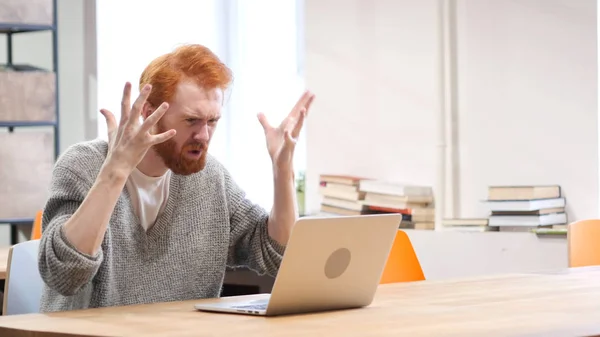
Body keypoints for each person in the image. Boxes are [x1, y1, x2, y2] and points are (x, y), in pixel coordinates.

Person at [37, 43, 314, 312]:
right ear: (150, 113)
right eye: (191, 121)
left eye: (212, 121)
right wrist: (114, 174)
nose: (203, 136)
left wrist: (283, 171)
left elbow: (277, 255)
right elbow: (64, 274)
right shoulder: (83, 166)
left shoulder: (211, 178)